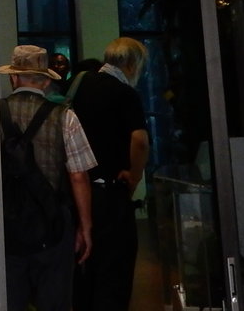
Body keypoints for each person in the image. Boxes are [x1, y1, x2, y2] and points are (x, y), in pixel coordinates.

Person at [0, 45, 96, 311]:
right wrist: (85, 227)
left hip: (5, 224)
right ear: (46, 81)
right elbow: (79, 175)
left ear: (13, 78)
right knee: (55, 301)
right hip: (52, 225)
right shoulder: (65, 116)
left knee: (9, 300)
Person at [71, 37, 149, 311]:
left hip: (79, 191)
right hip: (111, 193)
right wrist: (134, 175)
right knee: (114, 271)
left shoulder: (79, 85)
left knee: (85, 269)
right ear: (132, 64)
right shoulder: (125, 93)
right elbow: (139, 140)